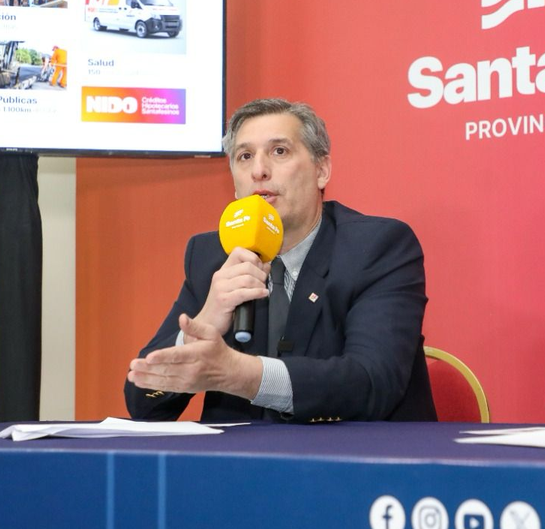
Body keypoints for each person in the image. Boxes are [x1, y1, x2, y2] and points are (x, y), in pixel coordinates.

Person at [126, 98, 436, 423]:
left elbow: (372, 382)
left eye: (279, 151)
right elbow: (142, 402)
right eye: (245, 156)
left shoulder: (375, 247)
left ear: (322, 170)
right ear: (235, 184)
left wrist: (241, 375)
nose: (258, 170)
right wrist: (198, 332)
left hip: (354, 453)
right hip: (238, 455)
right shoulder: (212, 256)